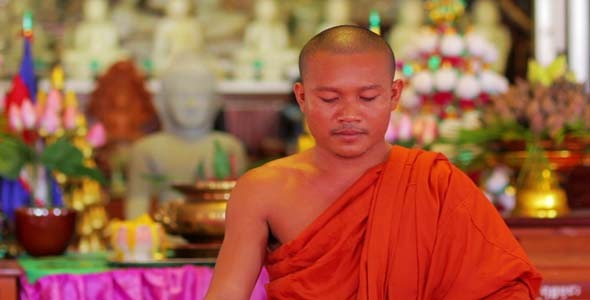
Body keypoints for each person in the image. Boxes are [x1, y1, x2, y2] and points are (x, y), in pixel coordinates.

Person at [205, 25, 541, 299]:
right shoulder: (263, 189)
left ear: (395, 95)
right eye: (329, 98)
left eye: (368, 97)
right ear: (302, 97)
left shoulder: (435, 184)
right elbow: (228, 292)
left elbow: (501, 290)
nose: (349, 114)